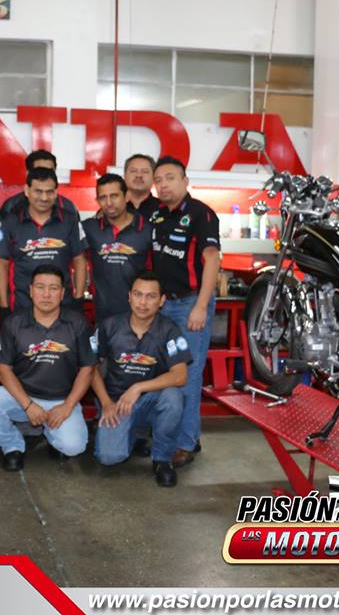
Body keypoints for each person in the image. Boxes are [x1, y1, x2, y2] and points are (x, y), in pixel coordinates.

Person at [0, 265, 96, 471]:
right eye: (40, 287)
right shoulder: (13, 323)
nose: (46, 294)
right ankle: (12, 447)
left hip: (61, 399)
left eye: (53, 288)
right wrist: (28, 405)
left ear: (62, 293)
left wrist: (67, 406)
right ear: (31, 291)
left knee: (74, 447)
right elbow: (3, 370)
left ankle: (51, 435)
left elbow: (88, 369)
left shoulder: (78, 323)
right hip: (23, 396)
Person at [149, 155, 221, 468]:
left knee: (188, 376)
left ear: (185, 181)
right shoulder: (157, 215)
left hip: (190, 305)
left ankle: (185, 444)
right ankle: (187, 435)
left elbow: (213, 260)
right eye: (158, 180)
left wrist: (201, 306)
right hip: (163, 307)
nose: (163, 185)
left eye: (170, 178)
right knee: (166, 373)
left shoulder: (201, 214)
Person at [92, 272, 191, 487]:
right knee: (109, 457)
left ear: (161, 301)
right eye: (138, 295)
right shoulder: (108, 326)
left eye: (151, 296)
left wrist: (138, 387)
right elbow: (90, 368)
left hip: (150, 401)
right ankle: (135, 435)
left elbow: (180, 375)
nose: (143, 303)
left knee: (173, 397)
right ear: (129, 296)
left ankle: (162, 460)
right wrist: (106, 402)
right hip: (117, 402)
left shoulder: (169, 330)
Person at [0, 167, 87, 320]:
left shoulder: (70, 220)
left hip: (63, 308)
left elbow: (79, 259)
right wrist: (4, 306)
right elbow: (1, 264)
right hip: (21, 307)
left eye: (49, 192)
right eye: (38, 191)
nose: (44, 198)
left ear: (56, 192)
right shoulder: (10, 221)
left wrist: (79, 298)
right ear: (27, 191)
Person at [82, 174, 151, 323]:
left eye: (114, 196)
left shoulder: (147, 229)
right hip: (103, 314)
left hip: (139, 315)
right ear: (97, 201)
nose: (109, 203)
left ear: (127, 196)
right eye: (103, 197)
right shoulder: (89, 228)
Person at [0, 149, 79, 218]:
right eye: (39, 171)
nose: (45, 175)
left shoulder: (68, 207)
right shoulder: (11, 206)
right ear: (28, 173)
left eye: (50, 171)